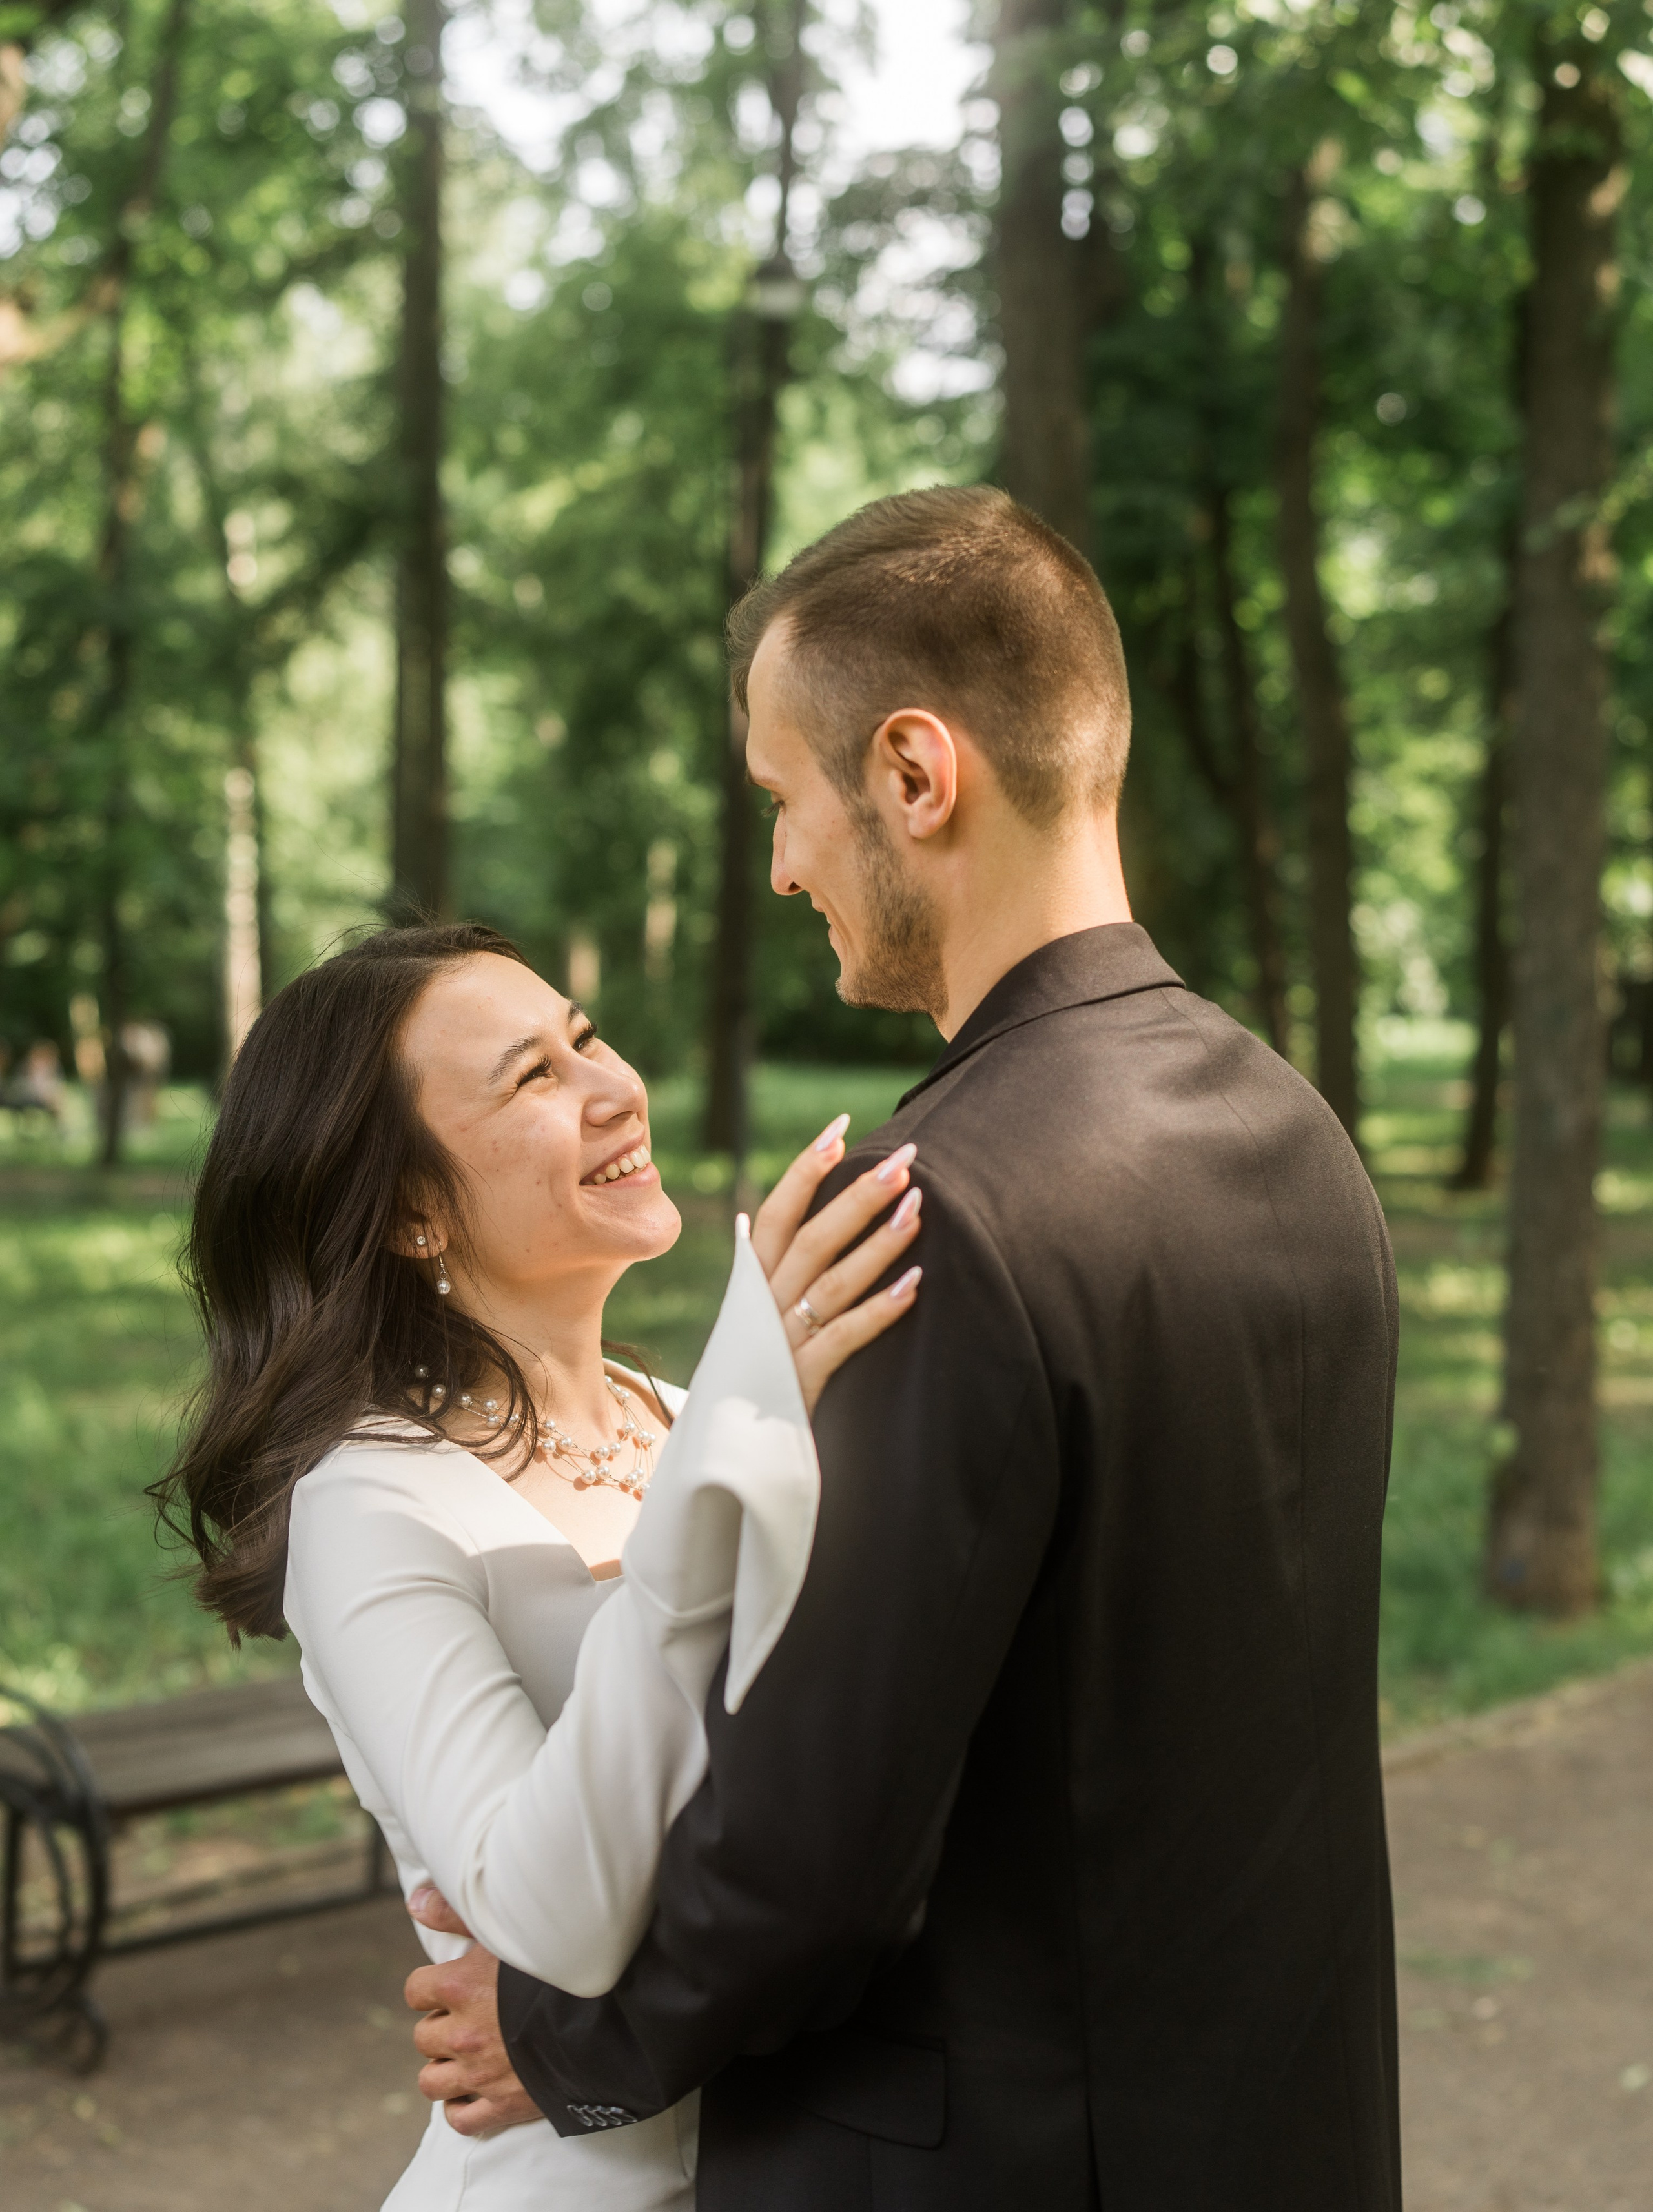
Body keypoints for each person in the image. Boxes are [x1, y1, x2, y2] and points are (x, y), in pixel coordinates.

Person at [407, 487, 1402, 2211]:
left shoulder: (932, 1213)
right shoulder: (1298, 1133)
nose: (784, 862)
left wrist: (569, 2036)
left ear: (915, 775)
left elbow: (817, 1848)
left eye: (789, 799)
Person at [156, 920, 925, 2210]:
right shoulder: (372, 1506)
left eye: (583, 1038)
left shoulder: (692, 1416)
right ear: (409, 1211)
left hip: (784, 2160)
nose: (614, 1085)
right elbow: (550, 1918)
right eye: (533, 1078)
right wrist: (728, 1459)